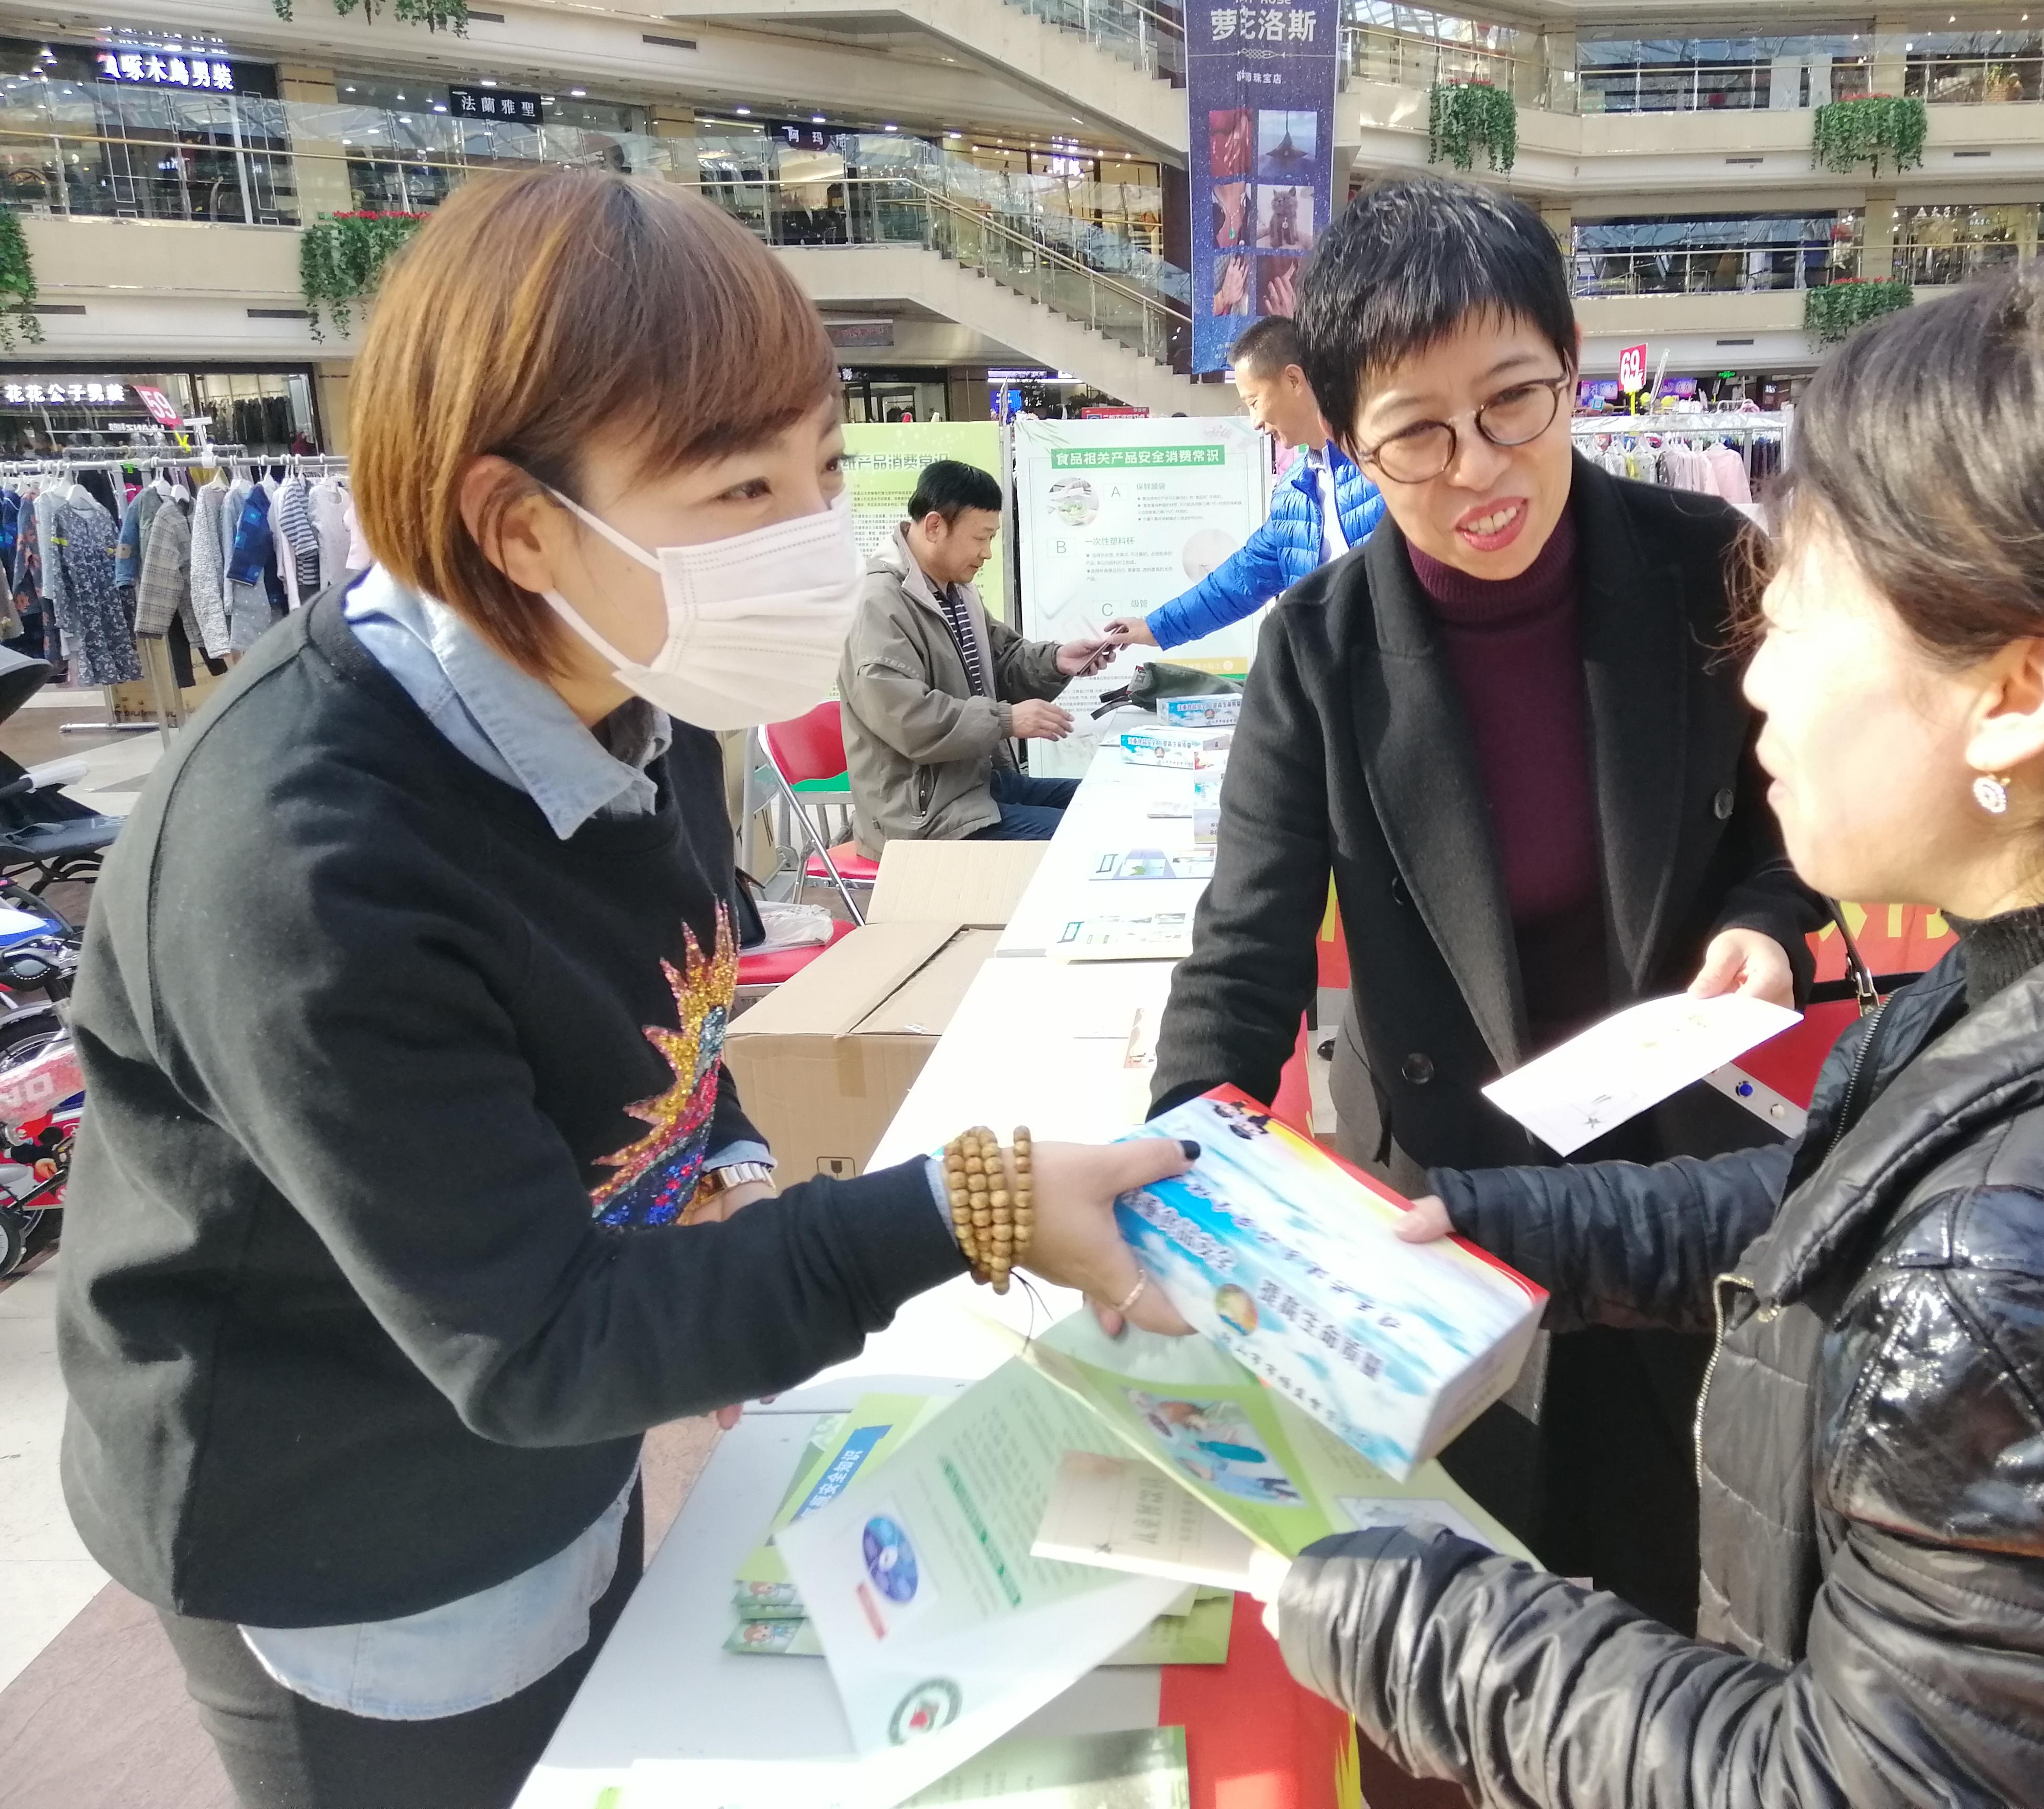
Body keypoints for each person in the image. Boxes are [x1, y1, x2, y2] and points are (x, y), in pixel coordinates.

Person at [53, 169, 1190, 1809]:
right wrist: (970, 1203)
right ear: (521, 524)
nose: (808, 543)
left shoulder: (630, 678)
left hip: (534, 1435)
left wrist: (725, 1175)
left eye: (821, 476)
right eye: (740, 493)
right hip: (346, 1505)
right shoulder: (307, 868)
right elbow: (534, 1347)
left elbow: (671, 1011)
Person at [1259, 220, 2044, 1807]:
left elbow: (1850, 1782)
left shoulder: (2031, 1299)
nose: (1754, 686)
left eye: (1798, 611)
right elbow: (1841, 1205)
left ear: (2020, 691)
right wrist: (1477, 1220)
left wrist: (1381, 1609)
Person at [1149, 179, 1825, 1627]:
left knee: (1683, 1587)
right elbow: (1243, 962)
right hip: (1449, 1211)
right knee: (1492, 1602)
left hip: (1680, 1185)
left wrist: (1763, 924)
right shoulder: (1322, 654)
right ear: (1345, 437)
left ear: (1571, 367)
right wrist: (1172, 1194)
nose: (1481, 469)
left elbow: (1802, 821)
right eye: (1417, 434)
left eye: (1516, 403)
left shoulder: (1709, 573)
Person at [839, 457, 1110, 852]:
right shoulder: (877, 603)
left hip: (975, 785)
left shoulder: (954, 590)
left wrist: (1056, 661)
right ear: (934, 526)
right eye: (979, 538)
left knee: (1107, 804)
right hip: (923, 816)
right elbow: (907, 717)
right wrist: (1006, 719)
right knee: (1091, 837)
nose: (986, 553)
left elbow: (1000, 660)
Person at [1104, 315, 1384, 650]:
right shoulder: (1294, 491)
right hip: (1330, 683)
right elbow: (1245, 577)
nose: (1255, 422)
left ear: (1294, 380)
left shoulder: (1386, 466)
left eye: (1254, 402)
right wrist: (1156, 627)